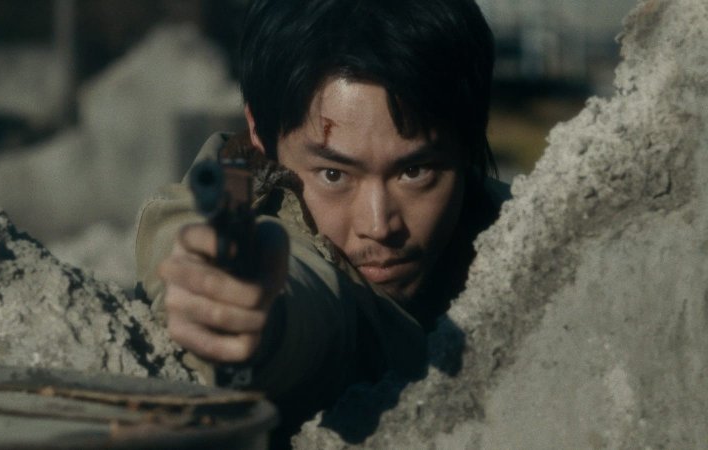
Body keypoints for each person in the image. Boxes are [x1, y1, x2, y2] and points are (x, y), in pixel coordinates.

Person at [135, 0, 509, 444]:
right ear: (259, 130)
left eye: (414, 171)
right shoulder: (216, 223)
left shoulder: (517, 222)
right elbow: (310, 293)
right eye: (334, 175)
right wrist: (254, 316)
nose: (379, 225)